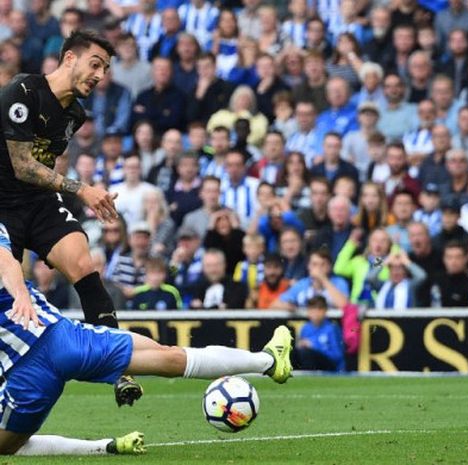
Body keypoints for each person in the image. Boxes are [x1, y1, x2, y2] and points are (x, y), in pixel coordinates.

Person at [0, 222, 292, 456]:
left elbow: (8, 264)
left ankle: (268, 360)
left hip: (43, 352)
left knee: (9, 446)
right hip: (57, 344)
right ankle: (267, 361)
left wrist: (21, 297)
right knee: (169, 357)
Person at [0, 30, 141, 406]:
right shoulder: (23, 92)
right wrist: (82, 189)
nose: (100, 75)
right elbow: (22, 165)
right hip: (2, 205)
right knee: (11, 289)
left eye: (106, 69)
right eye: (95, 64)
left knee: (83, 262)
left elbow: (43, 168)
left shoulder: (75, 114)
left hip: (39, 203)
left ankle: (118, 371)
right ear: (68, 59)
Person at [294, 296, 345, 372]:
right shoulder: (305, 328)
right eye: (313, 308)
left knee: (307, 354)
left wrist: (314, 346)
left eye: (320, 308)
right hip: (310, 362)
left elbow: (338, 356)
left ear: (325, 311)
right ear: (308, 311)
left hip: (330, 367)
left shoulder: (331, 328)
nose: (316, 312)